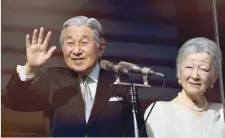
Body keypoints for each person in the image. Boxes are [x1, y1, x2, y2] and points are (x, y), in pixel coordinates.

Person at [2, 16, 146, 137]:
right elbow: (12, 102)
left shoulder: (121, 83)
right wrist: (29, 68)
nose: (76, 51)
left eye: (84, 43)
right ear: (63, 49)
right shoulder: (52, 79)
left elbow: (137, 131)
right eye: (70, 43)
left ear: (101, 48)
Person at [144, 37, 225, 138]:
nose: (195, 76)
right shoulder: (161, 111)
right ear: (179, 72)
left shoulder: (222, 113)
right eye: (189, 67)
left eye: (204, 69)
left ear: (214, 77)